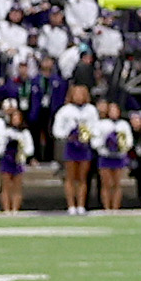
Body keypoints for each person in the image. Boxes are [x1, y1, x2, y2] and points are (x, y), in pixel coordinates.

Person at [53, 81, 99, 216]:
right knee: (70, 177)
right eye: (76, 94)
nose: (79, 97)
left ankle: (81, 205)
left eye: (81, 94)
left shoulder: (91, 110)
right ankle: (71, 205)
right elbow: (57, 129)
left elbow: (95, 127)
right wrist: (69, 134)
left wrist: (87, 135)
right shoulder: (65, 110)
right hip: (71, 146)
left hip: (84, 147)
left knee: (82, 177)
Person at [94, 100, 133, 211]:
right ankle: (107, 207)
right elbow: (95, 141)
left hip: (118, 157)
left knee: (116, 183)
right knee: (106, 183)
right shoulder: (101, 124)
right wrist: (105, 142)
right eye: (111, 110)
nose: (114, 113)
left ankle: (115, 208)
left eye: (116, 110)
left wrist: (121, 145)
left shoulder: (123, 125)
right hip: (105, 156)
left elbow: (129, 141)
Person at [0, 102, 33, 214]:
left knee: (17, 186)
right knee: (6, 186)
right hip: (7, 159)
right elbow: (0, 146)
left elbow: (30, 148)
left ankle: (15, 209)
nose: (16, 120)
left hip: (18, 160)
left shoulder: (25, 132)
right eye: (14, 117)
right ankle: (6, 209)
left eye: (18, 118)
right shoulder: (6, 131)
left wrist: (23, 153)